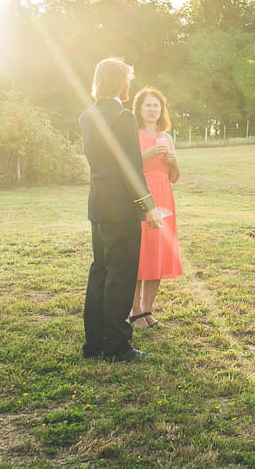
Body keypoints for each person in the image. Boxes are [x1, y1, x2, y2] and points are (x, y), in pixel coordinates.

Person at [79, 58, 163, 363]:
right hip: (121, 210)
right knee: (121, 275)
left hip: (98, 205)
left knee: (99, 272)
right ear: (120, 81)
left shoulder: (87, 116)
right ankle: (116, 345)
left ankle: (94, 343)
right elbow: (130, 168)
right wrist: (149, 207)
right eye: (128, 77)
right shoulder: (122, 117)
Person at [129, 87, 182, 330]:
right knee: (140, 252)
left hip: (164, 195)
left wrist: (174, 162)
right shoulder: (133, 134)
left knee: (158, 252)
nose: (152, 109)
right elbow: (127, 168)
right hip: (142, 194)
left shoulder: (167, 137)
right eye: (148, 105)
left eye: (156, 105)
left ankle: (148, 309)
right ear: (139, 109)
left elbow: (174, 177)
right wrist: (148, 152)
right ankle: (135, 311)